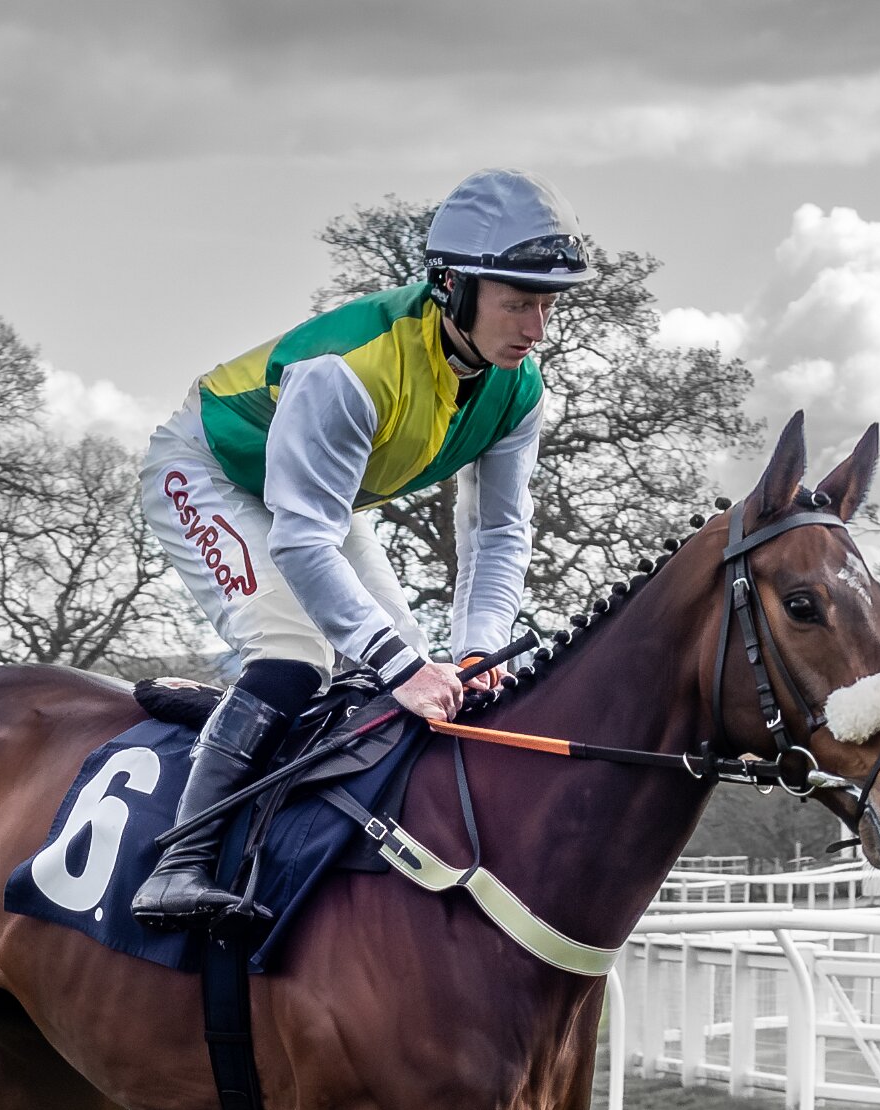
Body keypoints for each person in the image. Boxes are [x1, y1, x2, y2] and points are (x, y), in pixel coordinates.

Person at [131, 168, 594, 929]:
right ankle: (178, 863)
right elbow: (301, 540)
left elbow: (499, 531)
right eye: (518, 303)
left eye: (548, 304)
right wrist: (407, 668)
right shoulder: (350, 370)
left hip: (317, 502)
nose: (536, 329)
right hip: (212, 471)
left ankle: (248, 733)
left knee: (404, 673)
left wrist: (477, 651)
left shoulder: (518, 390)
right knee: (296, 655)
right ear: (452, 285)